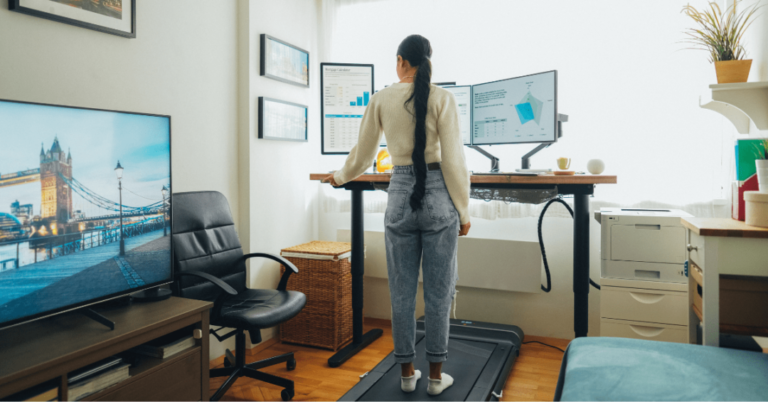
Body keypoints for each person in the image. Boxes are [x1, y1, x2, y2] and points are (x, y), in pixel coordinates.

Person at [323, 34, 471, 396]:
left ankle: (407, 375)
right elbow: (453, 161)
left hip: (401, 192)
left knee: (401, 293)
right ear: (427, 61)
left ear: (402, 61)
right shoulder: (444, 98)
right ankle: (436, 378)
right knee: (439, 294)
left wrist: (341, 177)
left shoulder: (380, 98)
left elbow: (363, 153)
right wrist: (463, 211)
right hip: (438, 195)